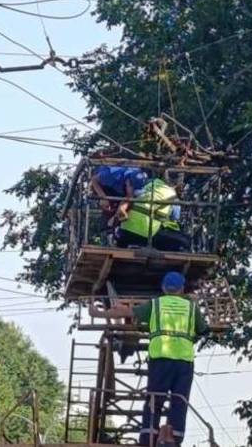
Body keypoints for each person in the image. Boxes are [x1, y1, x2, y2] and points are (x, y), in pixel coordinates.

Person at [90, 272, 209, 446]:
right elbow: (203, 330)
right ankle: (175, 438)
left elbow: (128, 311)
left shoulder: (156, 305)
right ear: (182, 289)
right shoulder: (191, 308)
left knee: (154, 399)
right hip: (184, 361)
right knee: (179, 401)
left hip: (160, 359)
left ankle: (148, 437)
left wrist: (97, 312)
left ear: (163, 288)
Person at [115, 177, 189, 252]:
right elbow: (175, 217)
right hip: (146, 233)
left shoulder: (150, 184)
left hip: (125, 230)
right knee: (184, 241)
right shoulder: (172, 195)